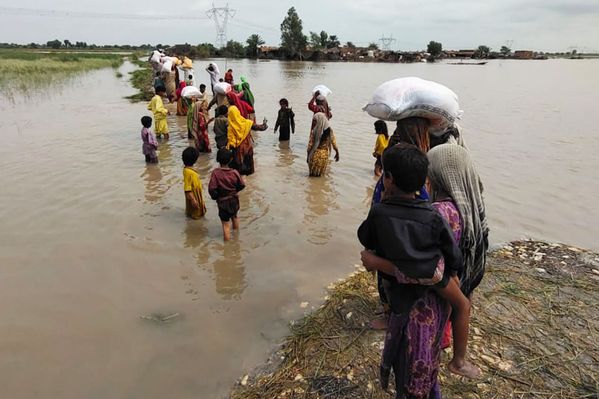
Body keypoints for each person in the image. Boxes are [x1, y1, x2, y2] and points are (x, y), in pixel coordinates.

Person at [358, 144, 474, 397]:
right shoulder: (437, 215)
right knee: (426, 360)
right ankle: (451, 368)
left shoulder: (384, 211)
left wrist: (376, 261)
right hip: (438, 299)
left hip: (412, 303)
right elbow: (451, 254)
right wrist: (454, 269)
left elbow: (366, 237)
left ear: (387, 178)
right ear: (424, 181)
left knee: (411, 365)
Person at [427, 143, 489, 298]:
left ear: (436, 175)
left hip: (441, 292)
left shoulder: (439, 212)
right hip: (463, 286)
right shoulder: (473, 208)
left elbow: (427, 266)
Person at [208, 148, 246, 241]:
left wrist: (216, 196)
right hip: (234, 200)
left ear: (217, 160)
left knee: (225, 224)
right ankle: (236, 239)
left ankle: (227, 247)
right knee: (235, 217)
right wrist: (235, 191)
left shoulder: (215, 173)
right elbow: (242, 185)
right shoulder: (234, 172)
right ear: (231, 159)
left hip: (222, 202)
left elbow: (212, 189)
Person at [227, 105, 267, 175]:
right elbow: (262, 128)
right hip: (247, 151)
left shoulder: (230, 128)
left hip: (237, 155)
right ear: (238, 113)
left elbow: (230, 144)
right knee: (249, 174)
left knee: (238, 174)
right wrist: (265, 123)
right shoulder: (246, 123)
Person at [307, 112, 339, 177]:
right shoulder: (329, 131)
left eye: (315, 121)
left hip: (314, 156)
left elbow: (310, 146)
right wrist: (337, 152)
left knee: (311, 177)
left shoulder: (315, 131)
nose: (314, 122)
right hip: (324, 157)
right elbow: (334, 143)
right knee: (320, 176)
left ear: (319, 120)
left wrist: (308, 157)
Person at [182, 147, 207, 220]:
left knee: (196, 212)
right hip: (194, 195)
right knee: (196, 214)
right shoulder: (188, 172)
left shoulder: (189, 170)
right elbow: (187, 189)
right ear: (195, 160)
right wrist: (193, 200)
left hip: (196, 193)